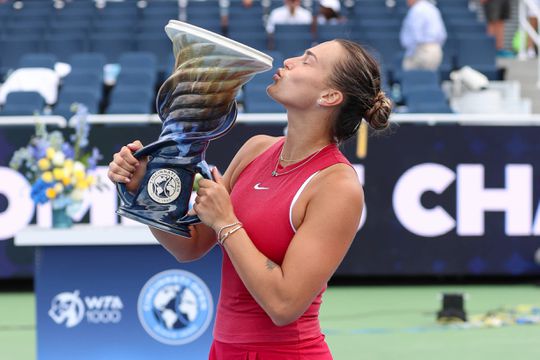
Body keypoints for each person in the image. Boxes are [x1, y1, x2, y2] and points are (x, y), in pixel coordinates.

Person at [108, 39, 392, 359]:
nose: (289, 61)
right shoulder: (256, 148)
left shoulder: (337, 185)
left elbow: (284, 306)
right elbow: (190, 246)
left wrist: (227, 221)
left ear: (329, 96)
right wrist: (145, 190)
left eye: (307, 60)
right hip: (223, 350)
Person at [399, 0, 447, 71]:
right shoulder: (433, 9)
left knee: (410, 76)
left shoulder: (416, 10)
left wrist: (412, 54)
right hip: (436, 50)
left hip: (422, 51)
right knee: (429, 78)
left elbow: (416, 36)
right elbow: (443, 35)